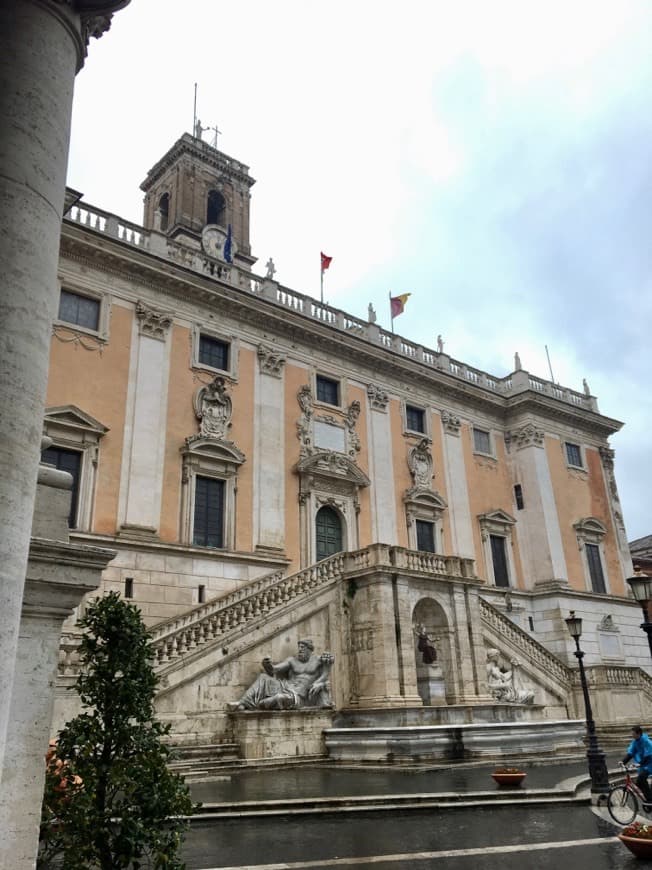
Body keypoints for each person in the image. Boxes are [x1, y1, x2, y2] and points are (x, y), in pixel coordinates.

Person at [233, 640, 334, 710]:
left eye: (303, 647)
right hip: (286, 687)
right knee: (263, 677)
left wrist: (318, 683)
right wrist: (267, 665)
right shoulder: (292, 661)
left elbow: (325, 674)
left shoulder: (318, 660)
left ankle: (258, 704)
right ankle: (242, 703)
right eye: (299, 647)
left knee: (279, 698)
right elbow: (274, 670)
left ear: (310, 649)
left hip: (300, 695)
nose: (300, 650)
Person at [622, 725, 652, 807]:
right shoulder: (635, 742)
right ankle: (648, 798)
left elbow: (648, 755)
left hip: (650, 763)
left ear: (638, 734)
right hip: (645, 764)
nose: (632, 735)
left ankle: (650, 800)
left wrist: (639, 763)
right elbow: (631, 753)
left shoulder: (646, 742)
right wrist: (623, 762)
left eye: (633, 734)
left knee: (641, 778)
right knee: (639, 782)